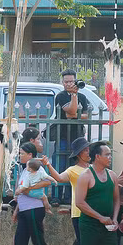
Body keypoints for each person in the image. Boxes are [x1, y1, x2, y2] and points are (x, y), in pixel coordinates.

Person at [76, 142, 120, 245]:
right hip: (89, 224)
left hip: (109, 224)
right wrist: (100, 217)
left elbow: (116, 200)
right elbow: (79, 203)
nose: (110, 157)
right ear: (97, 157)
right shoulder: (86, 176)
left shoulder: (112, 176)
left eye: (110, 154)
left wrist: (115, 217)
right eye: (107, 154)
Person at [43, 137, 89, 245]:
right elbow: (59, 178)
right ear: (79, 154)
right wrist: (48, 165)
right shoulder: (73, 170)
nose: (88, 152)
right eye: (85, 150)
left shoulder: (92, 168)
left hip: (88, 212)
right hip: (79, 212)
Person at [13, 143, 63, 245]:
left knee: (38, 240)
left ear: (30, 155)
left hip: (34, 209)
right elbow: (21, 192)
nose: (20, 155)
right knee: (20, 238)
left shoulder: (37, 168)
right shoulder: (25, 170)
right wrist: (17, 209)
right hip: (24, 209)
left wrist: (28, 189)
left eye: (22, 153)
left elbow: (47, 182)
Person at [50, 70, 90, 202]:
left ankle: (68, 196)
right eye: (66, 82)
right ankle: (56, 196)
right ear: (62, 82)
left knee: (73, 165)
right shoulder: (61, 96)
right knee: (60, 165)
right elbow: (72, 112)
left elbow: (86, 116)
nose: (69, 84)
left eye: (71, 81)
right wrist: (73, 96)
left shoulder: (83, 97)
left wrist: (74, 115)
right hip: (62, 136)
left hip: (77, 136)